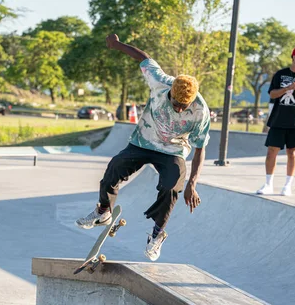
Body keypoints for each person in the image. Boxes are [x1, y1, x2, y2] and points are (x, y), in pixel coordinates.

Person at [76, 33, 211, 262]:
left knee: (171, 187)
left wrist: (192, 184)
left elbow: (200, 148)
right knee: (115, 167)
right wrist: (117, 45)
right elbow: (143, 57)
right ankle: (103, 210)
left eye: (183, 106)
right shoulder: (160, 82)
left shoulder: (201, 111)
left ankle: (157, 235)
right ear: (171, 92)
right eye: (175, 103)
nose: (179, 109)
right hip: (143, 142)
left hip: (174, 151)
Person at [257, 44, 295, 196]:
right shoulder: (280, 74)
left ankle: (287, 186)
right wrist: (288, 87)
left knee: (292, 153)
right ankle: (268, 184)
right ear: (294, 57)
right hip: (278, 120)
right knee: (271, 152)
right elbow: (272, 94)